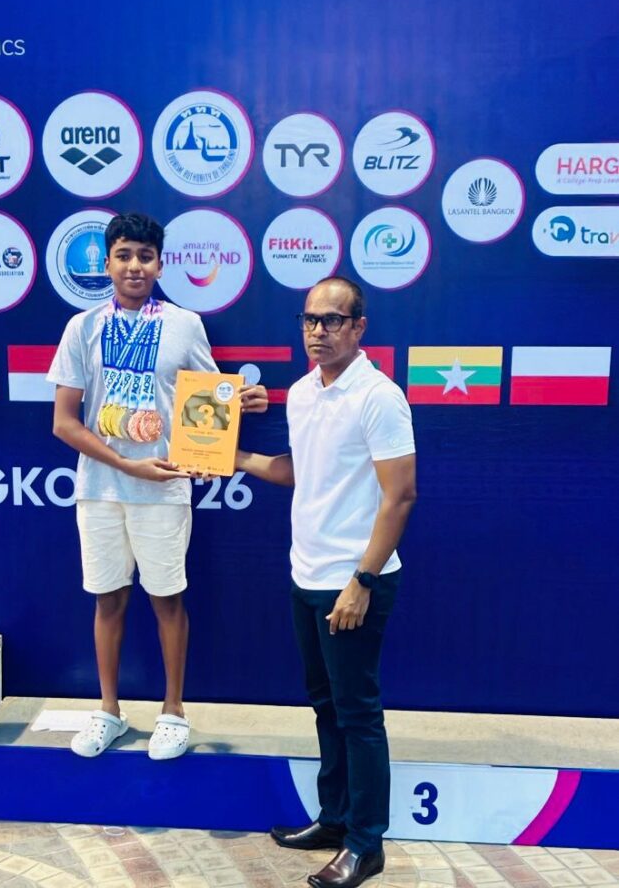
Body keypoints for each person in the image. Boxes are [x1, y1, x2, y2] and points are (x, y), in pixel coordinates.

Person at [49, 212, 267, 761]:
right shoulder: (82, 327)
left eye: (145, 257)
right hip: (101, 489)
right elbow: (64, 423)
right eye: (124, 256)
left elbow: (210, 400)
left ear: (161, 265)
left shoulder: (184, 324)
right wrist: (127, 466)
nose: (134, 266)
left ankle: (173, 712)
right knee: (108, 599)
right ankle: (109, 710)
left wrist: (243, 401)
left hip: (165, 486)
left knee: (167, 599)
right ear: (107, 263)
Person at [236, 276, 416, 888]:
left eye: (333, 320)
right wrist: (235, 459)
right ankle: (335, 819)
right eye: (310, 320)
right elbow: (302, 470)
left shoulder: (379, 396)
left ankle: (366, 844)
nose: (318, 331)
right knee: (325, 706)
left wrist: (362, 580)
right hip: (306, 573)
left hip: (354, 581)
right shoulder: (302, 392)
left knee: (358, 715)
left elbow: (400, 495)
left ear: (359, 327)